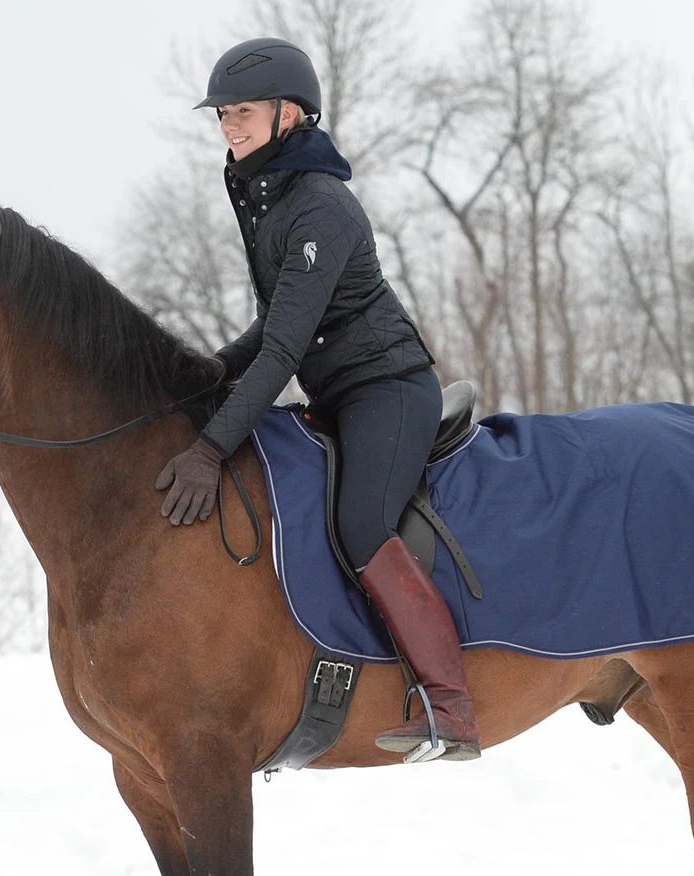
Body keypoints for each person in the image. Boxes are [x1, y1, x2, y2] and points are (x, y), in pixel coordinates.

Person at [155, 37, 480, 762]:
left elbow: (283, 350)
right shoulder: (269, 197)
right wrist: (210, 368)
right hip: (335, 390)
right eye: (223, 114)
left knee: (362, 523)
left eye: (242, 112)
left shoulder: (321, 208)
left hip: (388, 390)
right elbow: (276, 323)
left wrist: (211, 448)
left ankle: (453, 706)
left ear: (291, 114)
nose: (229, 125)